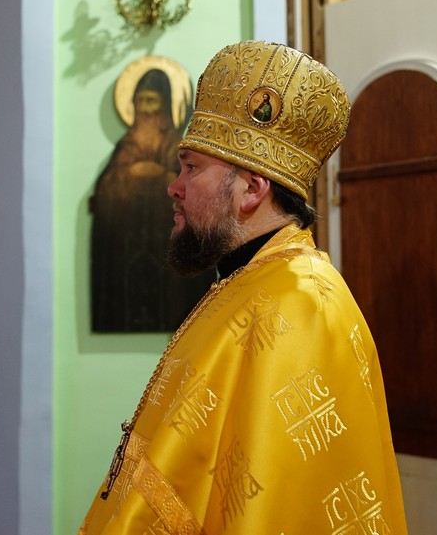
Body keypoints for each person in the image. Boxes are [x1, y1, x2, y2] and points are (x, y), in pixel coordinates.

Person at [78, 41, 408, 533]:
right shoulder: (244, 283)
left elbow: (274, 504)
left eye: (191, 167)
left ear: (252, 188)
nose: (173, 186)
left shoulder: (303, 303)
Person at [91, 68, 213, 331]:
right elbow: (104, 193)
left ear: (165, 105)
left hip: (166, 247)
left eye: (152, 101)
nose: (146, 109)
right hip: (128, 248)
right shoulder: (126, 147)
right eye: (141, 101)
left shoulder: (177, 147)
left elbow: (194, 191)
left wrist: (161, 175)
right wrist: (128, 176)